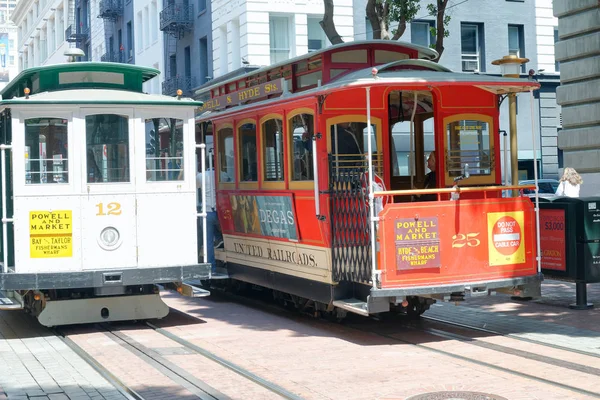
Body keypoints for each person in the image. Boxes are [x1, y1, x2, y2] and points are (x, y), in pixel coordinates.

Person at [197, 161, 224, 273]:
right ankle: (218, 238)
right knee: (219, 231)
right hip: (219, 211)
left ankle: (211, 268)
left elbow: (196, 187)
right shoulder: (222, 174)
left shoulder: (201, 176)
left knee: (208, 241)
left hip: (207, 212)